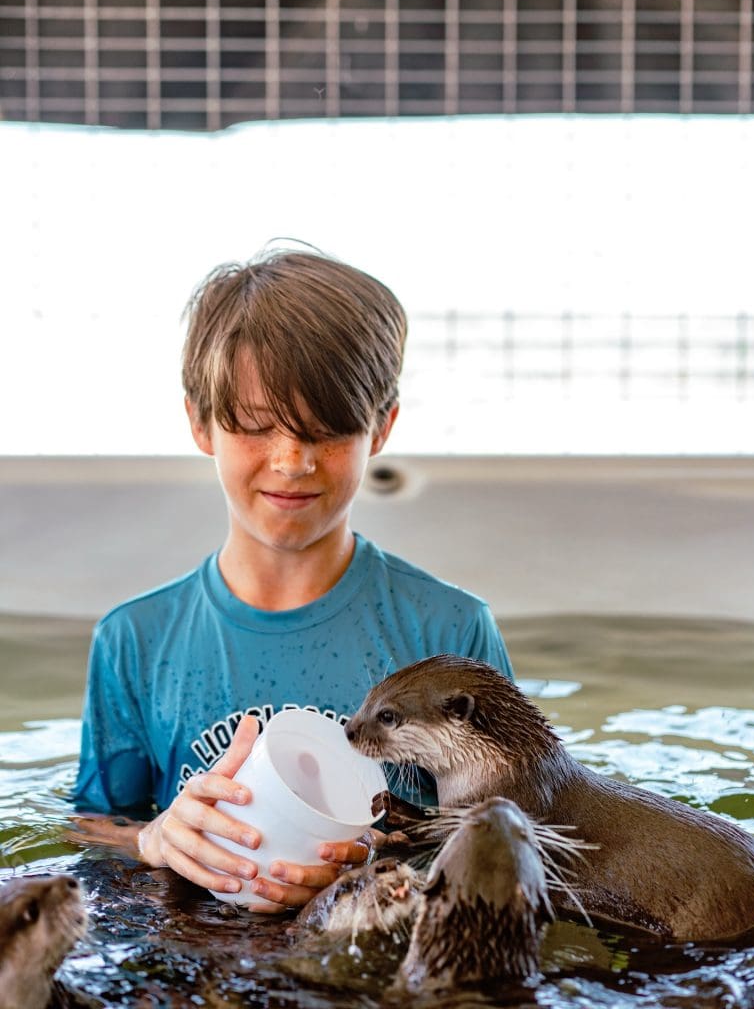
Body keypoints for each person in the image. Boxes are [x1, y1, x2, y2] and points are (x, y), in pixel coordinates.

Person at [73, 246, 513, 912]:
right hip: (203, 941)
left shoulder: (447, 631)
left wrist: (384, 856)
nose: (291, 461)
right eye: (254, 427)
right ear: (200, 422)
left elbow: (512, 842)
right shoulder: (136, 640)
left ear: (382, 427)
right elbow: (88, 830)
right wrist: (155, 840)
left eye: (328, 430)